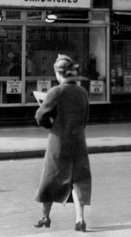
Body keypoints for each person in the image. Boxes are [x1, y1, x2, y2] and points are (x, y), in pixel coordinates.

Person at [34, 54, 92, 232]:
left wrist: (52, 125)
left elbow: (40, 116)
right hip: (78, 142)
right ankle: (80, 220)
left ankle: (45, 217)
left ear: (58, 73)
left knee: (50, 178)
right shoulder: (82, 92)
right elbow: (85, 118)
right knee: (78, 181)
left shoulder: (56, 91)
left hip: (59, 142)